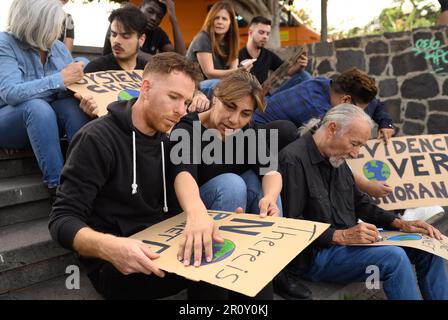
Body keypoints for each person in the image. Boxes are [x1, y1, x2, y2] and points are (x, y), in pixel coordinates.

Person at [49, 52, 232, 300]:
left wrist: (215, 220)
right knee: (213, 269)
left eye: (186, 102)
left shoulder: (172, 136)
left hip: (162, 241)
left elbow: (186, 177)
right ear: (145, 88)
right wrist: (110, 247)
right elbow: (62, 220)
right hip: (116, 260)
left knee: (233, 258)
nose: (181, 110)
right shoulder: (96, 139)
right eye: (173, 97)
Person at [276, 103, 448, 300]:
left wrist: (400, 223)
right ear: (332, 129)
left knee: (428, 242)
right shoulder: (292, 159)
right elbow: (291, 224)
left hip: (348, 243)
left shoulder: (335, 158)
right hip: (316, 256)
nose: (355, 154)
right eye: (354, 143)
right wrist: (340, 236)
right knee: (394, 258)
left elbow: (360, 203)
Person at [169, 70, 282, 299]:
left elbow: (272, 171)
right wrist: (197, 213)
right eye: (230, 106)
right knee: (232, 184)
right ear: (215, 97)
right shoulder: (188, 128)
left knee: (265, 189)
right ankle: (211, 284)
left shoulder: (246, 130)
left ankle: (260, 274)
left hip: (234, 213)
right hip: (192, 215)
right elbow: (182, 175)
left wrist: (269, 198)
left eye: (245, 113)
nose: (234, 120)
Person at [0, 0, 91, 196]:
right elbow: (11, 93)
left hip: (46, 121)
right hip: (9, 122)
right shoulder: (5, 43)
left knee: (72, 107)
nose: (59, 29)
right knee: (37, 107)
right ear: (38, 23)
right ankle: (60, 191)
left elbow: (68, 82)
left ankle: (88, 179)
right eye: (55, 24)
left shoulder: (57, 47)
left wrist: (81, 65)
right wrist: (60, 78)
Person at [253, 67, 396, 143]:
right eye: (357, 111)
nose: (359, 115)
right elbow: (331, 150)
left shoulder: (325, 84)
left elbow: (375, 104)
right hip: (258, 140)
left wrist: (386, 123)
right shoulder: (318, 112)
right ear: (346, 100)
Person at [186, 1, 254, 99]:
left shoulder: (231, 42)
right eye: (216, 18)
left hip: (216, 84)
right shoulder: (203, 38)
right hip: (195, 86)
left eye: (224, 19)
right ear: (211, 19)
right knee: (222, 85)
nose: (219, 22)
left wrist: (242, 69)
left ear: (231, 23)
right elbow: (209, 73)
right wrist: (238, 71)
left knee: (248, 85)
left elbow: (233, 73)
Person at [239, 16, 311, 95]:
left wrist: (299, 65)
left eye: (268, 34)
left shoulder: (268, 55)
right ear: (250, 32)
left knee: (303, 76)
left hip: (267, 100)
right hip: (247, 102)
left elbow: (288, 71)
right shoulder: (238, 55)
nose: (265, 37)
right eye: (261, 32)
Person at [103, 0, 186, 58]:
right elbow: (132, 53)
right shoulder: (124, 22)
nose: (154, 18)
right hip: (112, 74)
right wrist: (163, 60)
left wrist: (173, 19)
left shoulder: (157, 32)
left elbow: (180, 57)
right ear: (140, 7)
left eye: (159, 16)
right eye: (150, 11)